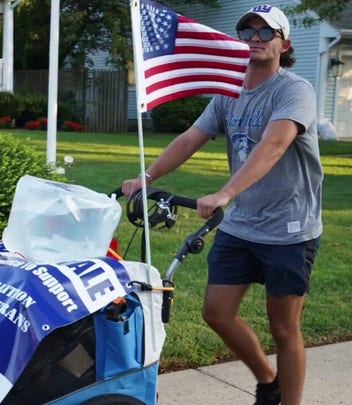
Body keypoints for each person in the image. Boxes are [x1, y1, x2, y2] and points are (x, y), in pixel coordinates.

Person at [121, 5, 323, 405]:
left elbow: (274, 145)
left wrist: (224, 193)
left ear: (284, 43)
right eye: (247, 32)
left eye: (266, 33)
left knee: (284, 329)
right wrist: (147, 178)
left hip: (289, 228)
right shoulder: (228, 92)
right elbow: (190, 138)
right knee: (217, 312)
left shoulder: (294, 89)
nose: (255, 40)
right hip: (242, 225)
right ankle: (269, 382)